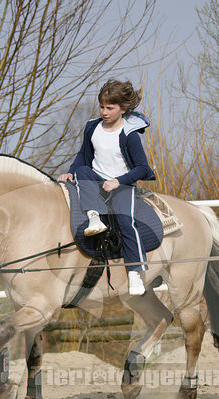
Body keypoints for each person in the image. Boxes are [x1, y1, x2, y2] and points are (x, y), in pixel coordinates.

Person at [58, 79, 156, 295]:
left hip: (121, 184)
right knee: (82, 172)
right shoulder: (92, 127)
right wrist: (70, 172)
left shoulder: (129, 135)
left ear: (123, 109)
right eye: (102, 106)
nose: (104, 111)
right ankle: (94, 218)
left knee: (125, 221)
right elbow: (83, 156)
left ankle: (135, 272)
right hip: (95, 179)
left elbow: (142, 168)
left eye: (110, 108)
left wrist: (119, 181)